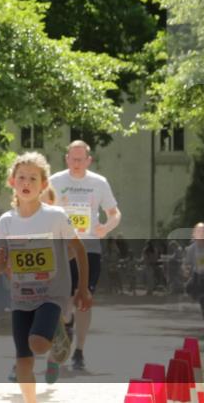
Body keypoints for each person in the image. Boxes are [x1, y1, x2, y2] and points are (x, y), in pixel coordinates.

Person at [0, 152, 91, 403]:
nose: (26, 182)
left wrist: (82, 288)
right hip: (21, 297)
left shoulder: (55, 216)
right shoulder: (6, 221)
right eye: (21, 177)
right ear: (12, 182)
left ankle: (58, 332)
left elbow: (79, 249)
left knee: (37, 344)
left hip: (51, 295)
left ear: (43, 185)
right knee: (23, 361)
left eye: (33, 178)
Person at [49, 140, 121, 371]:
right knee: (63, 296)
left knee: (84, 299)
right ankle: (66, 325)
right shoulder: (55, 181)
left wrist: (106, 227)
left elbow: (115, 213)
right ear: (66, 159)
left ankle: (79, 351)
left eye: (81, 159)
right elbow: (42, 208)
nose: (77, 163)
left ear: (89, 160)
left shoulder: (99, 183)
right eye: (73, 158)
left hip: (89, 247)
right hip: (62, 247)